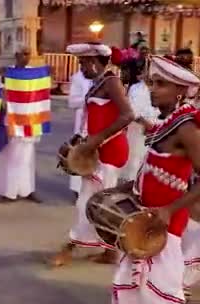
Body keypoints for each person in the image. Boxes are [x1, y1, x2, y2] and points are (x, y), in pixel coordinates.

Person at [102, 55, 200, 304]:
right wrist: (129, 187)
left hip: (165, 222)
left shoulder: (186, 127)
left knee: (161, 293)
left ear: (179, 91)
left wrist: (170, 209)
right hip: (145, 217)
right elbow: (157, 167)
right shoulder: (168, 122)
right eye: (152, 83)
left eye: (160, 84)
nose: (152, 89)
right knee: (127, 280)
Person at [50, 43, 134, 267]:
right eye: (81, 62)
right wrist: (81, 139)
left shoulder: (112, 82)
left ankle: (70, 246)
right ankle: (108, 252)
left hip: (109, 151)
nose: (82, 67)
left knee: (90, 202)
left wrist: (96, 140)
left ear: (97, 63)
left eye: (85, 63)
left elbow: (127, 115)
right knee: (99, 202)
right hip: (95, 150)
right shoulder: (98, 83)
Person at [0, 45, 42, 203]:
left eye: (28, 53)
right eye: (23, 54)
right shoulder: (7, 72)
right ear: (16, 55)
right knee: (11, 157)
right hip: (13, 120)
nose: (27, 56)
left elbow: (40, 96)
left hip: (29, 121)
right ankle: (8, 192)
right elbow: (3, 94)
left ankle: (27, 190)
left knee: (27, 158)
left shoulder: (34, 74)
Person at [121, 61, 159, 182]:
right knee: (135, 162)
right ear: (143, 72)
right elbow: (131, 110)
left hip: (157, 131)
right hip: (138, 131)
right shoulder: (135, 88)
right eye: (148, 71)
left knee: (152, 165)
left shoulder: (160, 88)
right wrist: (145, 123)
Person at [68, 69, 93, 196]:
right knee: (79, 153)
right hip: (82, 121)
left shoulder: (104, 78)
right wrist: (89, 99)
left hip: (97, 122)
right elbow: (72, 102)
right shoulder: (78, 77)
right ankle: (77, 189)